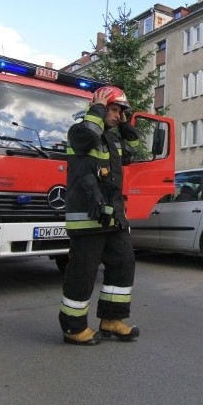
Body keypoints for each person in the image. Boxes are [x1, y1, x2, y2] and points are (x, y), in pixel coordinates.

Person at [59, 85, 141, 345]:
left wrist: (126, 126)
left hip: (113, 216)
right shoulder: (80, 130)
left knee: (123, 264)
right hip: (88, 216)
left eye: (120, 111)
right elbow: (86, 140)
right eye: (114, 109)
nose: (118, 115)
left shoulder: (112, 138)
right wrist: (97, 108)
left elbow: (133, 152)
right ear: (100, 108)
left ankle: (112, 320)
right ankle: (73, 328)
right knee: (83, 272)